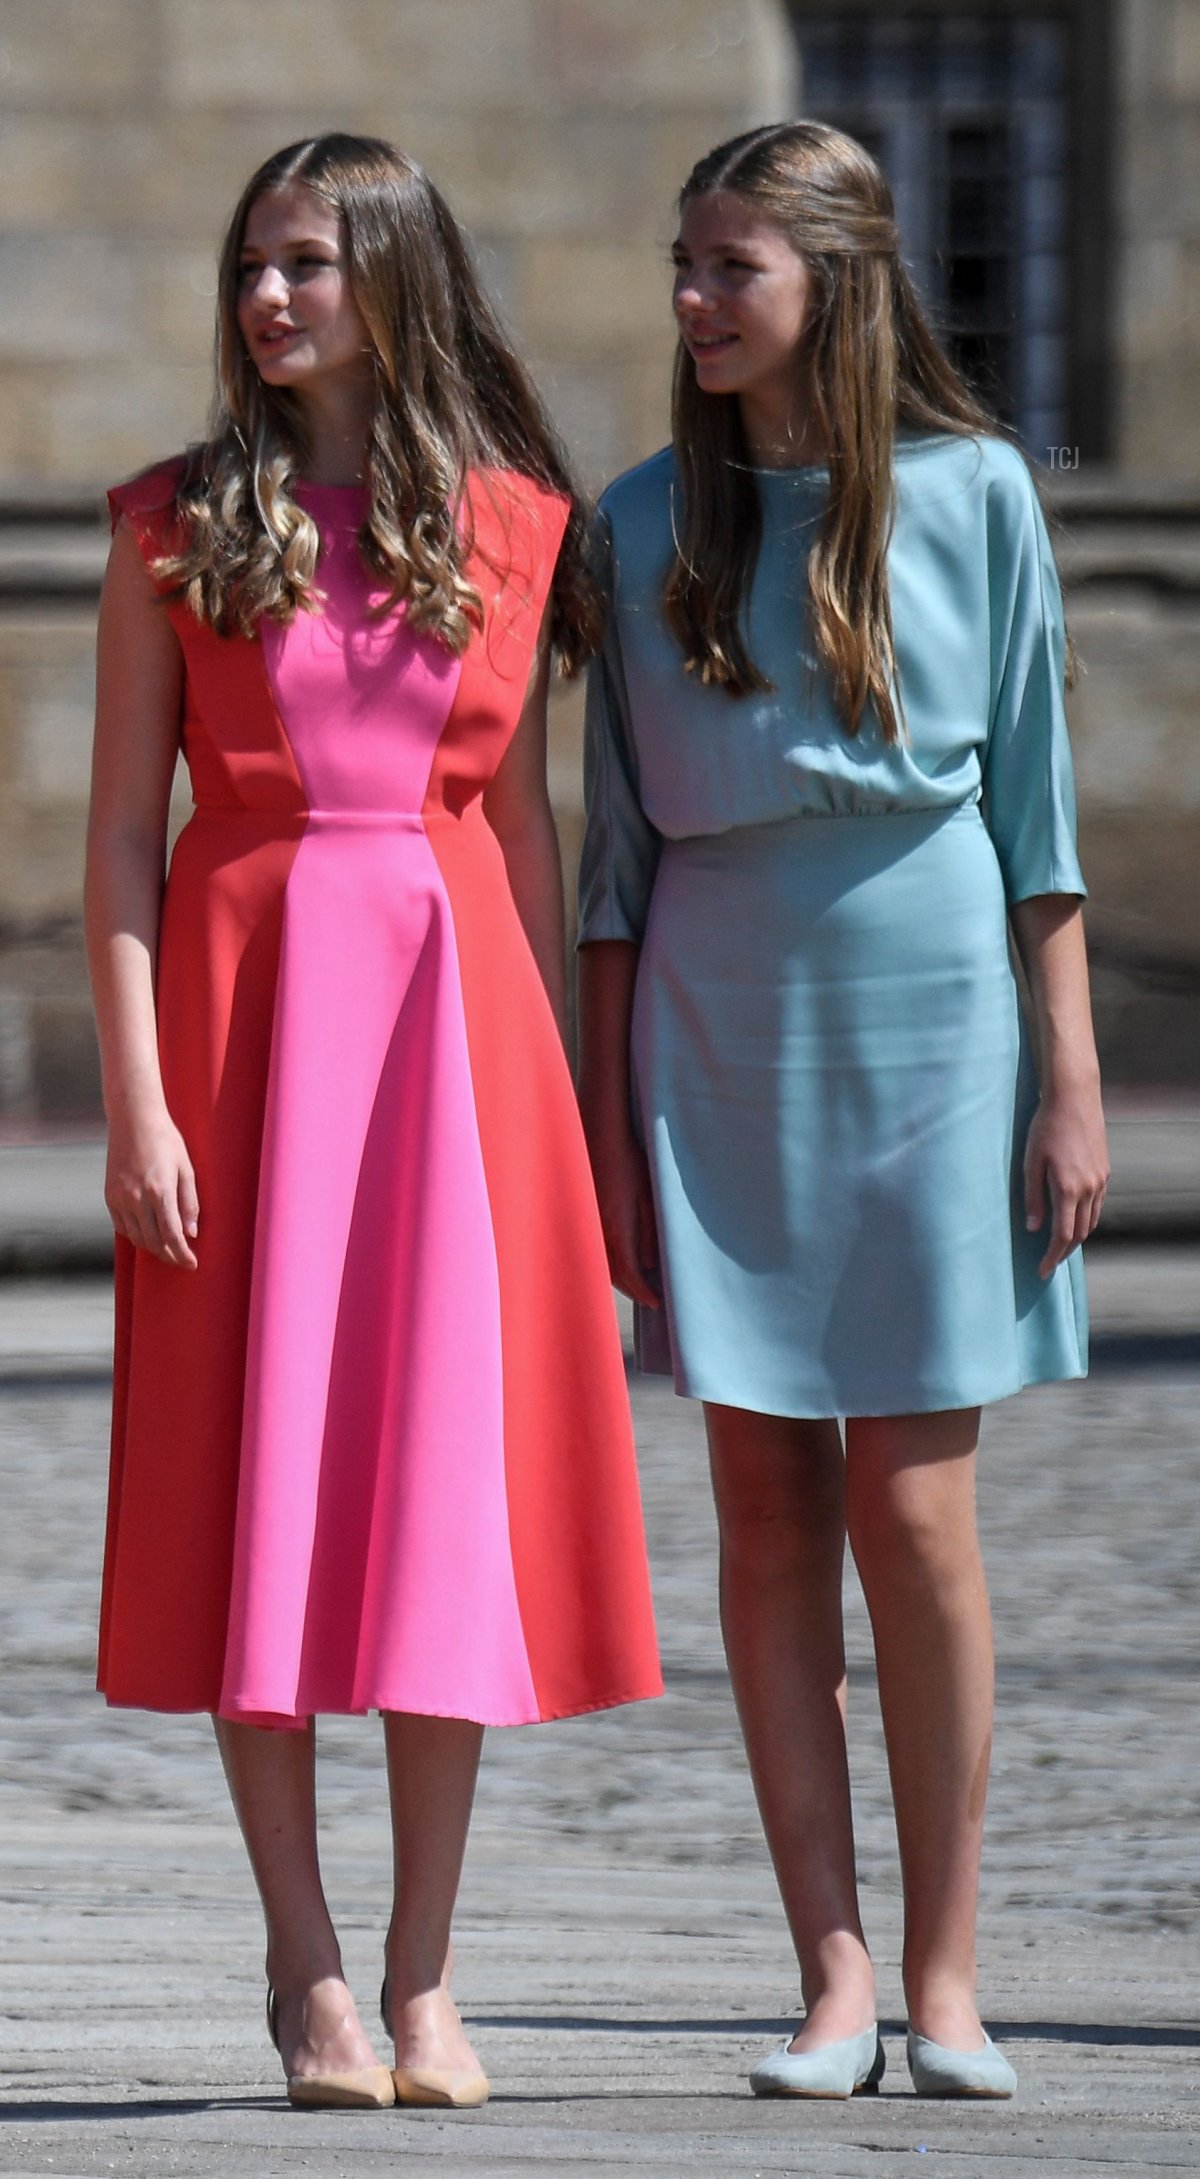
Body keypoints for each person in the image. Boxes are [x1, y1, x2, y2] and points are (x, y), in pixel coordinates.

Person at [85, 132, 661, 2113]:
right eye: (254, 261)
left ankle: (425, 1979)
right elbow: (116, 849)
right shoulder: (167, 525)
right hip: (243, 1047)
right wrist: (137, 1103)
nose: (269, 297)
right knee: (255, 1501)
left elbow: (522, 835)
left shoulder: (514, 526)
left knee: (434, 1509)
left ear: (394, 279)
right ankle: (305, 1962)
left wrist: (570, 1138)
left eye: (310, 263)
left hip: (451, 1053)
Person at [577, 121, 1108, 2102]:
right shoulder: (639, 528)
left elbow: (1041, 823)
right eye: (684, 266)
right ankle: (828, 1969)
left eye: (736, 267)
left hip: (943, 1010)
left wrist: (1068, 1079)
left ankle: (955, 1975)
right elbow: (608, 871)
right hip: (714, 1024)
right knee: (763, 1504)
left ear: (839, 282)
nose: (698, 302)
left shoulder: (979, 500)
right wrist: (606, 1135)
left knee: (916, 1506)